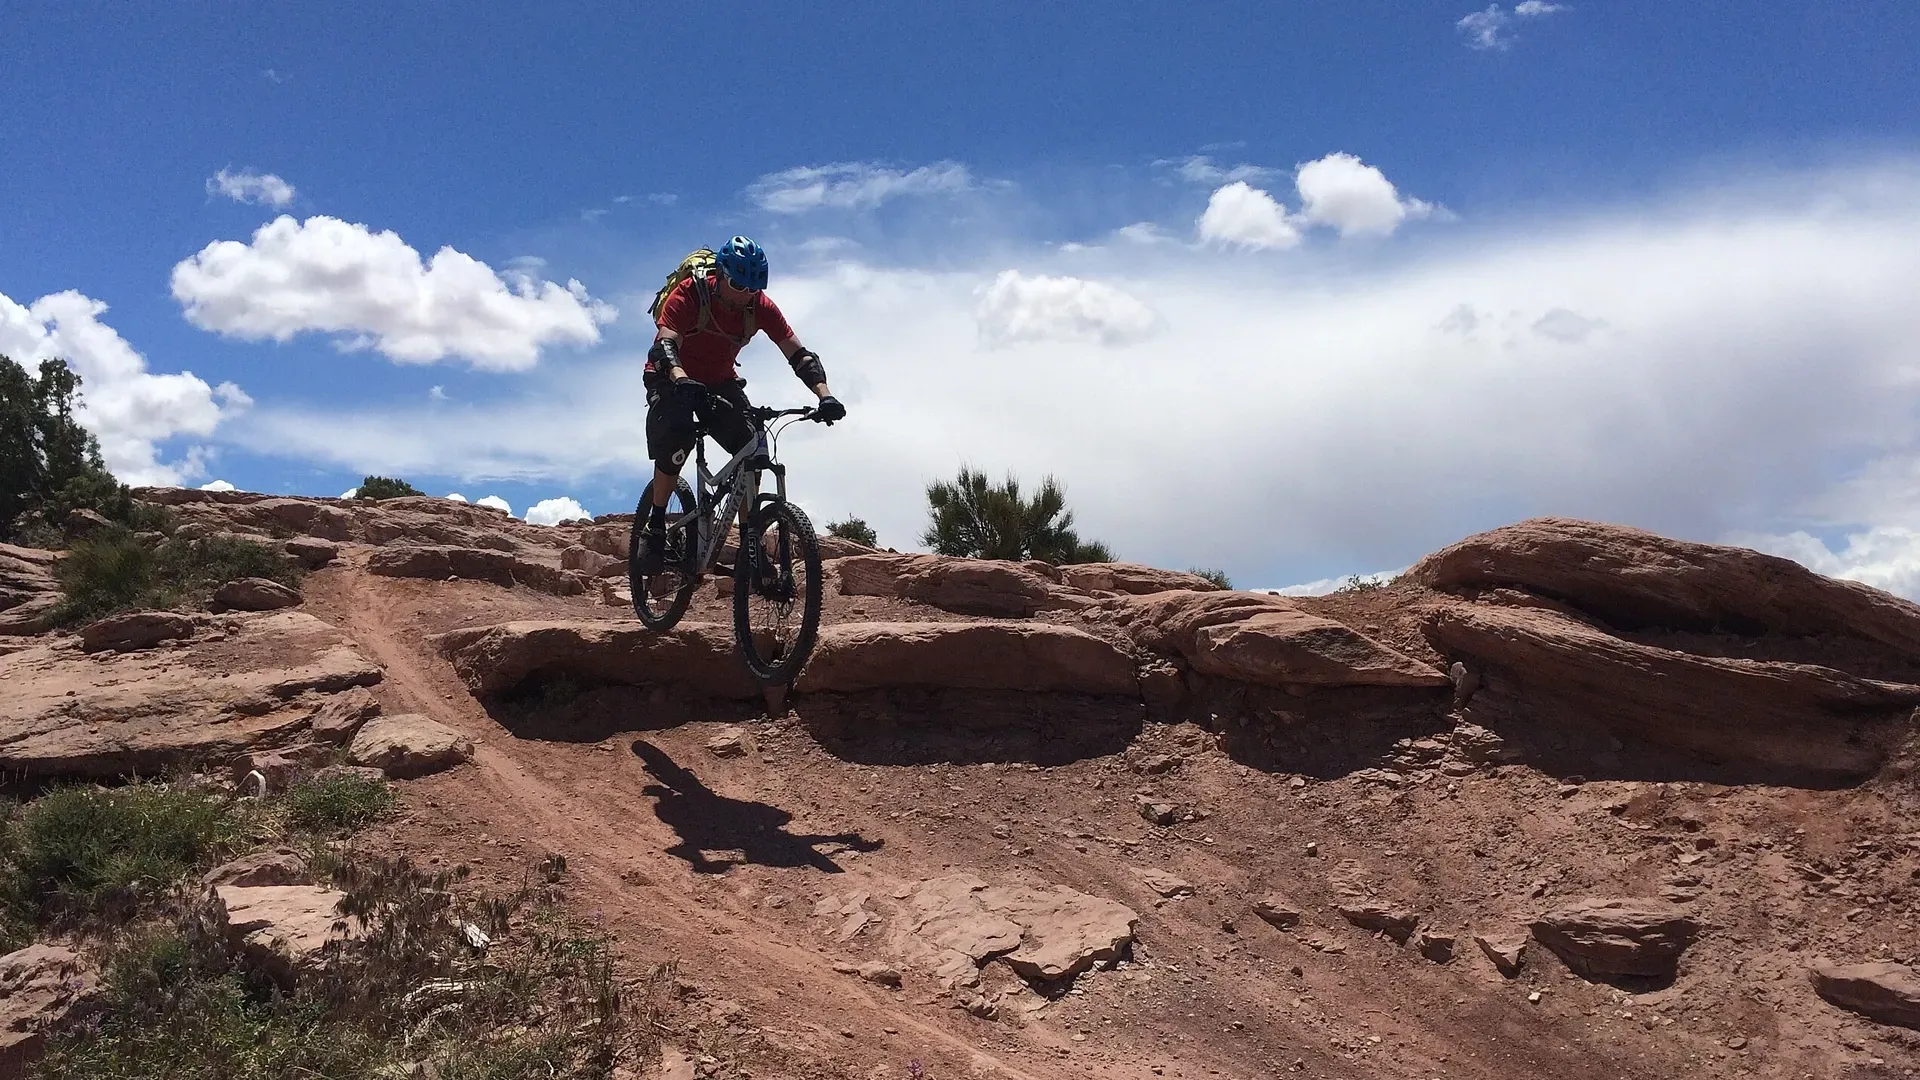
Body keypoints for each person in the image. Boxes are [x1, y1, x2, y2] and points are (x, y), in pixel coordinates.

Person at [638, 236, 845, 574]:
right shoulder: (691, 293)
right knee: (676, 438)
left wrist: (825, 395)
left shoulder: (759, 306)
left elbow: (798, 354)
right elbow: (665, 345)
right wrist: (679, 378)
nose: (744, 293)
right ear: (720, 274)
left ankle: (752, 543)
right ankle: (656, 526)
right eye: (736, 283)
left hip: (719, 381)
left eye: (753, 286)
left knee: (751, 445)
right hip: (670, 375)